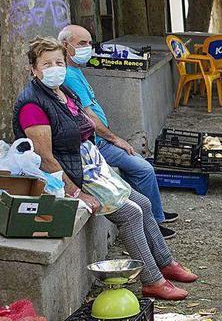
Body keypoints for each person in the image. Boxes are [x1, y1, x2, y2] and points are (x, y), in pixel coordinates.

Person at [12, 37, 197, 300]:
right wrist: (76, 193)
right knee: (131, 214)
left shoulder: (64, 92)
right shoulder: (32, 104)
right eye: (46, 63)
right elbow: (45, 156)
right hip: (69, 176)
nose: (55, 67)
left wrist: (113, 138)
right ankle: (152, 280)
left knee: (143, 202)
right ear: (34, 69)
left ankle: (165, 262)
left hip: (92, 167)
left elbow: (88, 121)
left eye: (59, 62)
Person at [58, 25, 178, 239]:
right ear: (65, 46)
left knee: (142, 165)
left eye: (89, 43)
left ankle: (155, 214)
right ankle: (156, 224)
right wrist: (116, 139)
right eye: (81, 44)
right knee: (143, 168)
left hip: (101, 141)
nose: (88, 48)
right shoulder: (68, 76)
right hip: (95, 144)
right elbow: (89, 118)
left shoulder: (75, 70)